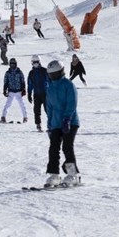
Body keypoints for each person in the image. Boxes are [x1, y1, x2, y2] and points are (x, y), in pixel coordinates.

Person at [43, 59, 81, 188]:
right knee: (53, 148)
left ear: (61, 72)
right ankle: (54, 175)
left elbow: (72, 103)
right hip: (56, 123)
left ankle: (73, 175)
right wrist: (49, 124)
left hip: (70, 121)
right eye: (50, 75)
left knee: (67, 146)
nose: (52, 77)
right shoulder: (50, 88)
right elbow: (49, 107)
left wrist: (67, 119)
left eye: (54, 74)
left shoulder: (68, 85)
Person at [1, 58, 28, 123]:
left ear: (16, 64)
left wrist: (23, 89)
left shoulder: (19, 72)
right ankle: (3, 116)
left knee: (22, 104)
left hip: (18, 91)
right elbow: (5, 82)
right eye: (11, 64)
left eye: (14, 64)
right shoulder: (8, 73)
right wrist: (4, 90)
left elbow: (22, 81)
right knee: (8, 104)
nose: (12, 65)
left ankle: (25, 117)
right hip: (11, 91)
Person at [27, 56, 49, 131]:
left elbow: (50, 81)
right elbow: (30, 84)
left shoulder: (44, 71)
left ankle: (51, 124)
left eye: (36, 62)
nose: (35, 64)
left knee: (48, 110)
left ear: (39, 62)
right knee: (36, 110)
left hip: (45, 93)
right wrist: (29, 93)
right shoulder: (31, 73)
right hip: (36, 94)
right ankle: (38, 125)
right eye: (34, 62)